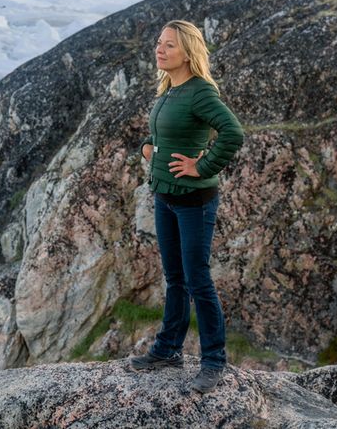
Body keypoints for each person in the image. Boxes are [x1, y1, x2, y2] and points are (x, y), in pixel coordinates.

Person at [128, 20, 244, 394]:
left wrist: (202, 166)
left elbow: (233, 133)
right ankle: (168, 350)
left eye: (170, 45)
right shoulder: (169, 89)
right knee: (175, 278)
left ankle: (214, 361)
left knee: (198, 280)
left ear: (188, 52)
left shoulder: (199, 92)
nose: (160, 50)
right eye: (159, 43)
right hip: (165, 197)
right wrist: (147, 147)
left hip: (194, 202)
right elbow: (161, 133)